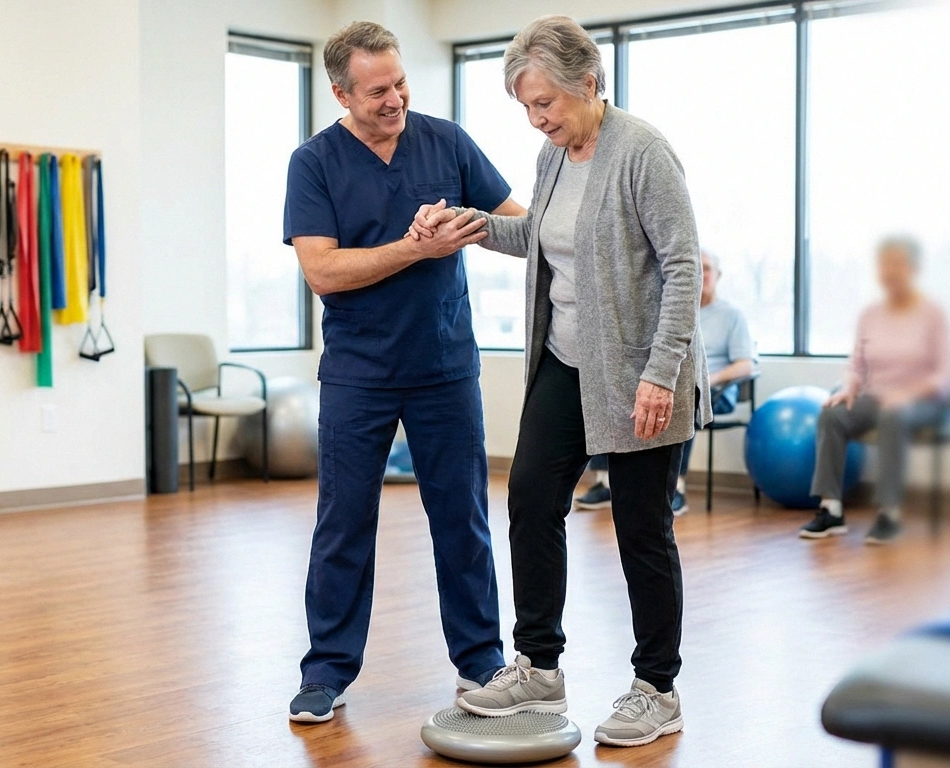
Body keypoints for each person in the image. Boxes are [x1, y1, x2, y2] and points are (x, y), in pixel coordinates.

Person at [410, 14, 708, 748]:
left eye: (545, 103)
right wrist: (468, 224)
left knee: (641, 529)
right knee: (533, 500)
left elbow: (681, 265)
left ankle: (656, 686)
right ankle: (540, 665)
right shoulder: (554, 159)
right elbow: (538, 239)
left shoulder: (643, 152)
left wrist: (661, 372)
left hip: (642, 372)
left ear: (588, 81)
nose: (537, 119)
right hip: (565, 361)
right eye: (526, 108)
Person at [281, 21, 528, 724]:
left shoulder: (445, 140)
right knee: (343, 524)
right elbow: (323, 270)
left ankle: (482, 660)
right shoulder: (315, 163)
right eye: (378, 90)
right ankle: (325, 671)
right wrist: (414, 249)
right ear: (341, 92)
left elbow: (515, 225)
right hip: (360, 370)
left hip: (445, 364)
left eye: (401, 84)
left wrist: (550, 232)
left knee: (463, 519)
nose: (395, 100)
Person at [800, 237, 950, 544]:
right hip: (876, 396)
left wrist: (907, 395)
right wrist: (849, 388)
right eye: (885, 264)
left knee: (893, 415)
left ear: (914, 268)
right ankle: (831, 509)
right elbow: (857, 364)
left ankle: (889, 513)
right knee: (832, 414)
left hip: (923, 399)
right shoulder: (870, 313)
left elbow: (945, 373)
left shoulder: (933, 312)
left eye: (897, 263)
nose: (890, 271)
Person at [575, 249, 756, 514]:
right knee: (615, 395)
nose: (702, 274)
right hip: (672, 382)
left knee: (686, 400)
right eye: (698, 268)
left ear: (718, 275)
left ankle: (676, 489)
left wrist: (707, 379)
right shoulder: (674, 309)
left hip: (714, 392)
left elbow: (746, 364)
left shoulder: (731, 316)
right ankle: (605, 483)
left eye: (707, 268)